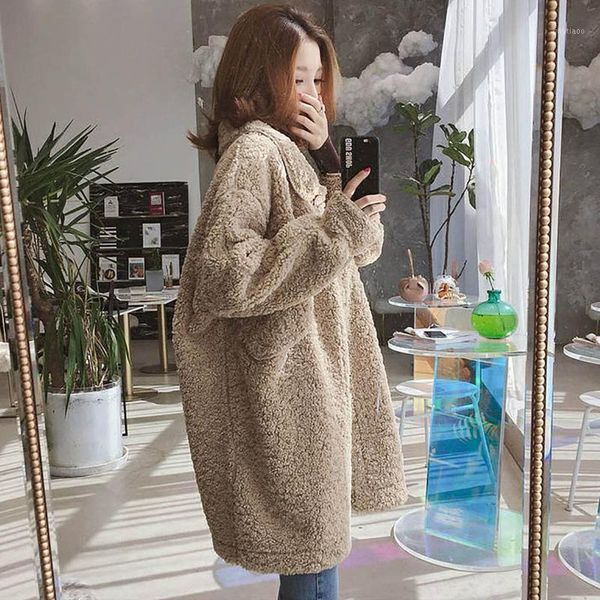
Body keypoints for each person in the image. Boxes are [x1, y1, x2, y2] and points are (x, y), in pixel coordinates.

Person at [173, 5, 407, 599]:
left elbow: (359, 247)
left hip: (318, 375)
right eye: (295, 78)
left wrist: (329, 160)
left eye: (316, 79)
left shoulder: (295, 150)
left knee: (315, 558)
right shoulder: (255, 152)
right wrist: (336, 226)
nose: (309, 93)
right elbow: (226, 273)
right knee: (314, 559)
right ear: (257, 80)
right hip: (294, 386)